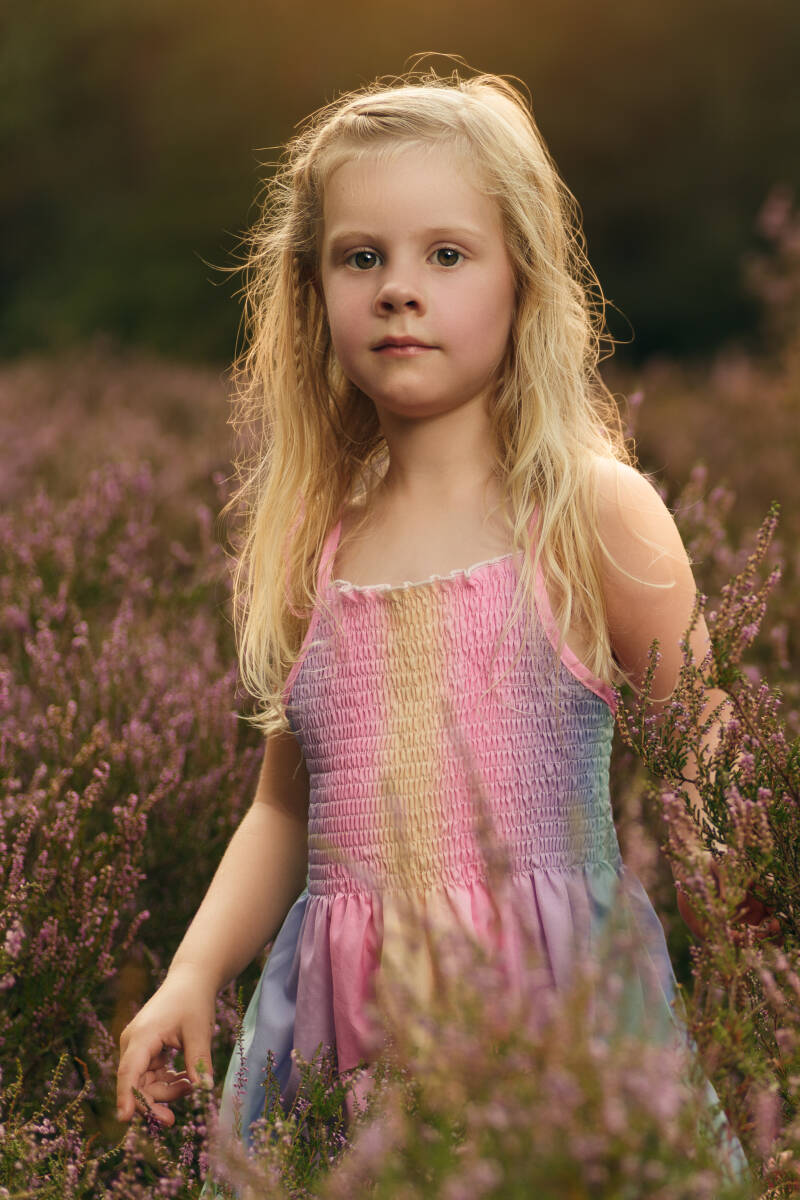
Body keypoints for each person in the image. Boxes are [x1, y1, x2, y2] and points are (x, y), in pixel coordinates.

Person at [116, 62, 780, 1186]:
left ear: (521, 280)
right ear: (309, 291)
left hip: (553, 1024)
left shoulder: (591, 515)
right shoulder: (315, 545)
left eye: (446, 254)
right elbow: (283, 808)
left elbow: (710, 770)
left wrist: (755, 986)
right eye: (359, 256)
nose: (397, 289)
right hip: (332, 1033)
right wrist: (189, 974)